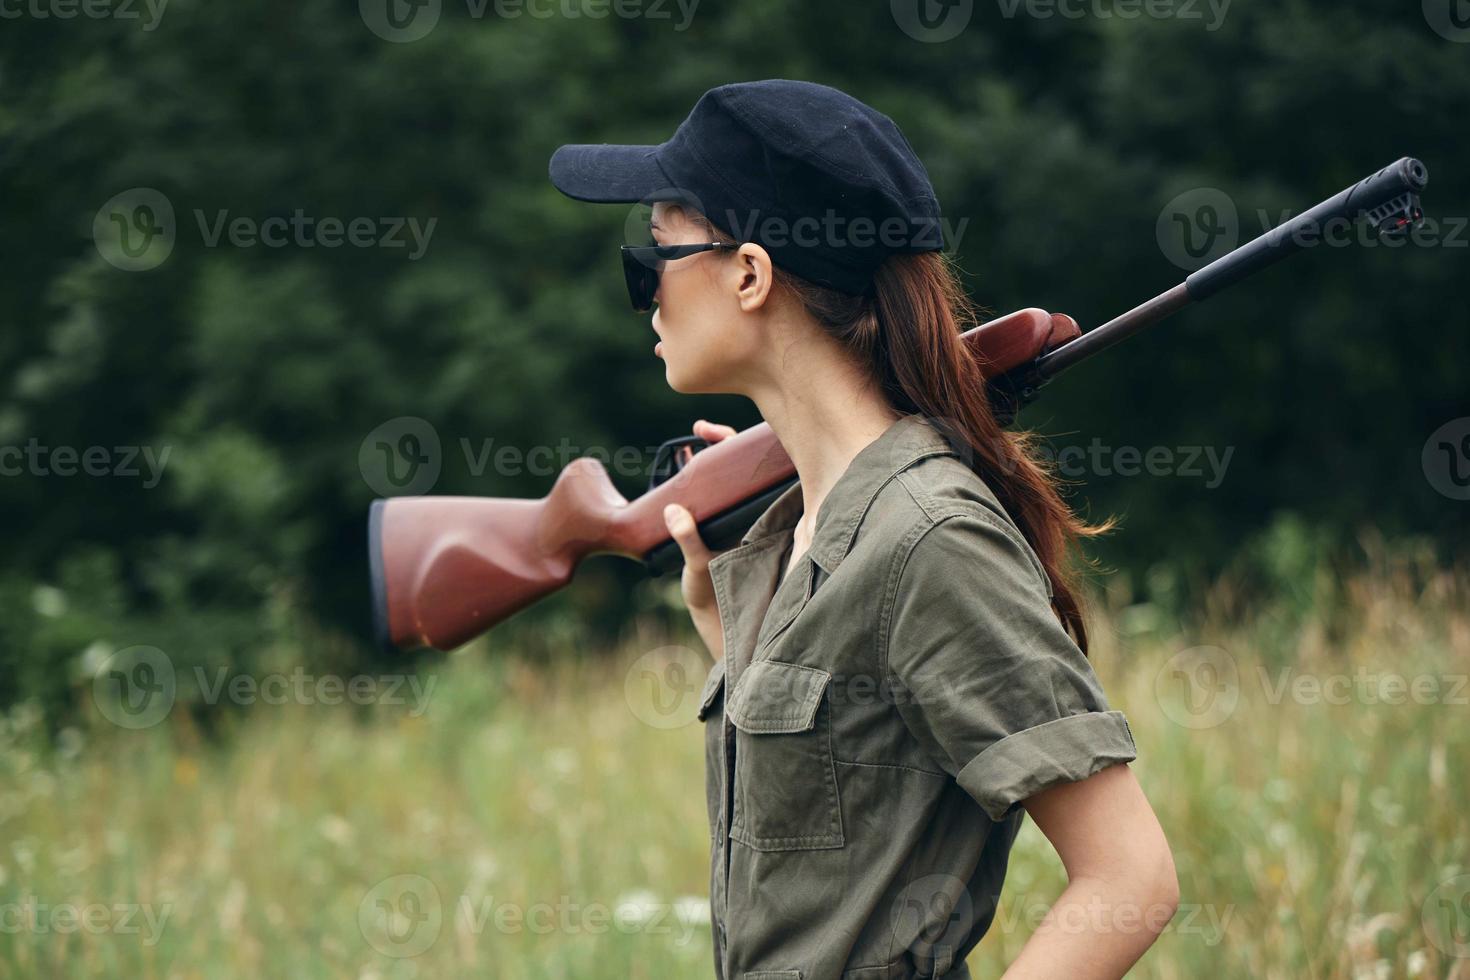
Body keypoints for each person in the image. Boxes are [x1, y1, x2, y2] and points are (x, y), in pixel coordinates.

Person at [550, 78, 1178, 980]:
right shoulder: (802, 531)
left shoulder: (930, 539)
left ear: (751, 274)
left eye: (655, 259)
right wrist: (732, 629)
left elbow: (1131, 877)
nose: (645, 294)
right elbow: (845, 818)